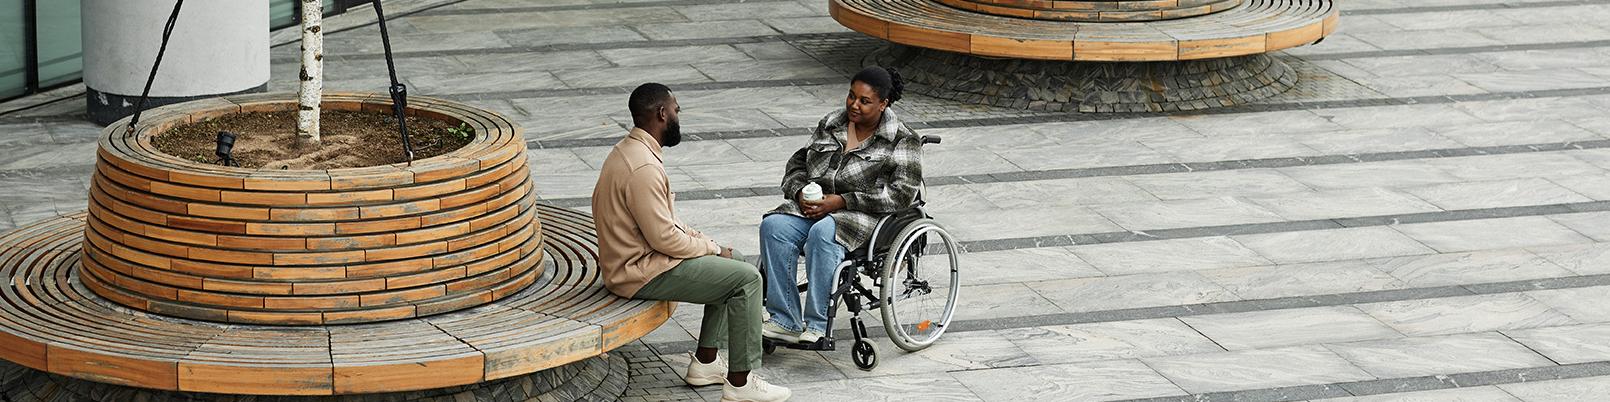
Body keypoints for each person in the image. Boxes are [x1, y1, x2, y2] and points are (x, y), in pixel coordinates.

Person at [592, 83, 790, 402]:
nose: (678, 115)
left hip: (638, 261)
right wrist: (711, 248)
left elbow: (665, 221)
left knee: (735, 259)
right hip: (638, 272)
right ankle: (741, 383)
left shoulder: (631, 152)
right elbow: (665, 238)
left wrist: (708, 242)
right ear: (661, 114)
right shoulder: (642, 167)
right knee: (747, 280)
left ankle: (706, 363)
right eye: (676, 110)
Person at [759, 67, 924, 344]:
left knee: (823, 232)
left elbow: (901, 194)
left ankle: (818, 324)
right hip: (816, 205)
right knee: (773, 225)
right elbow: (798, 163)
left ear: (883, 104)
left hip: (864, 214)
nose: (854, 105)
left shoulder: (902, 139)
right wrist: (800, 192)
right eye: (851, 96)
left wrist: (842, 201)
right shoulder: (832, 123)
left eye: (864, 101)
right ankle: (785, 320)